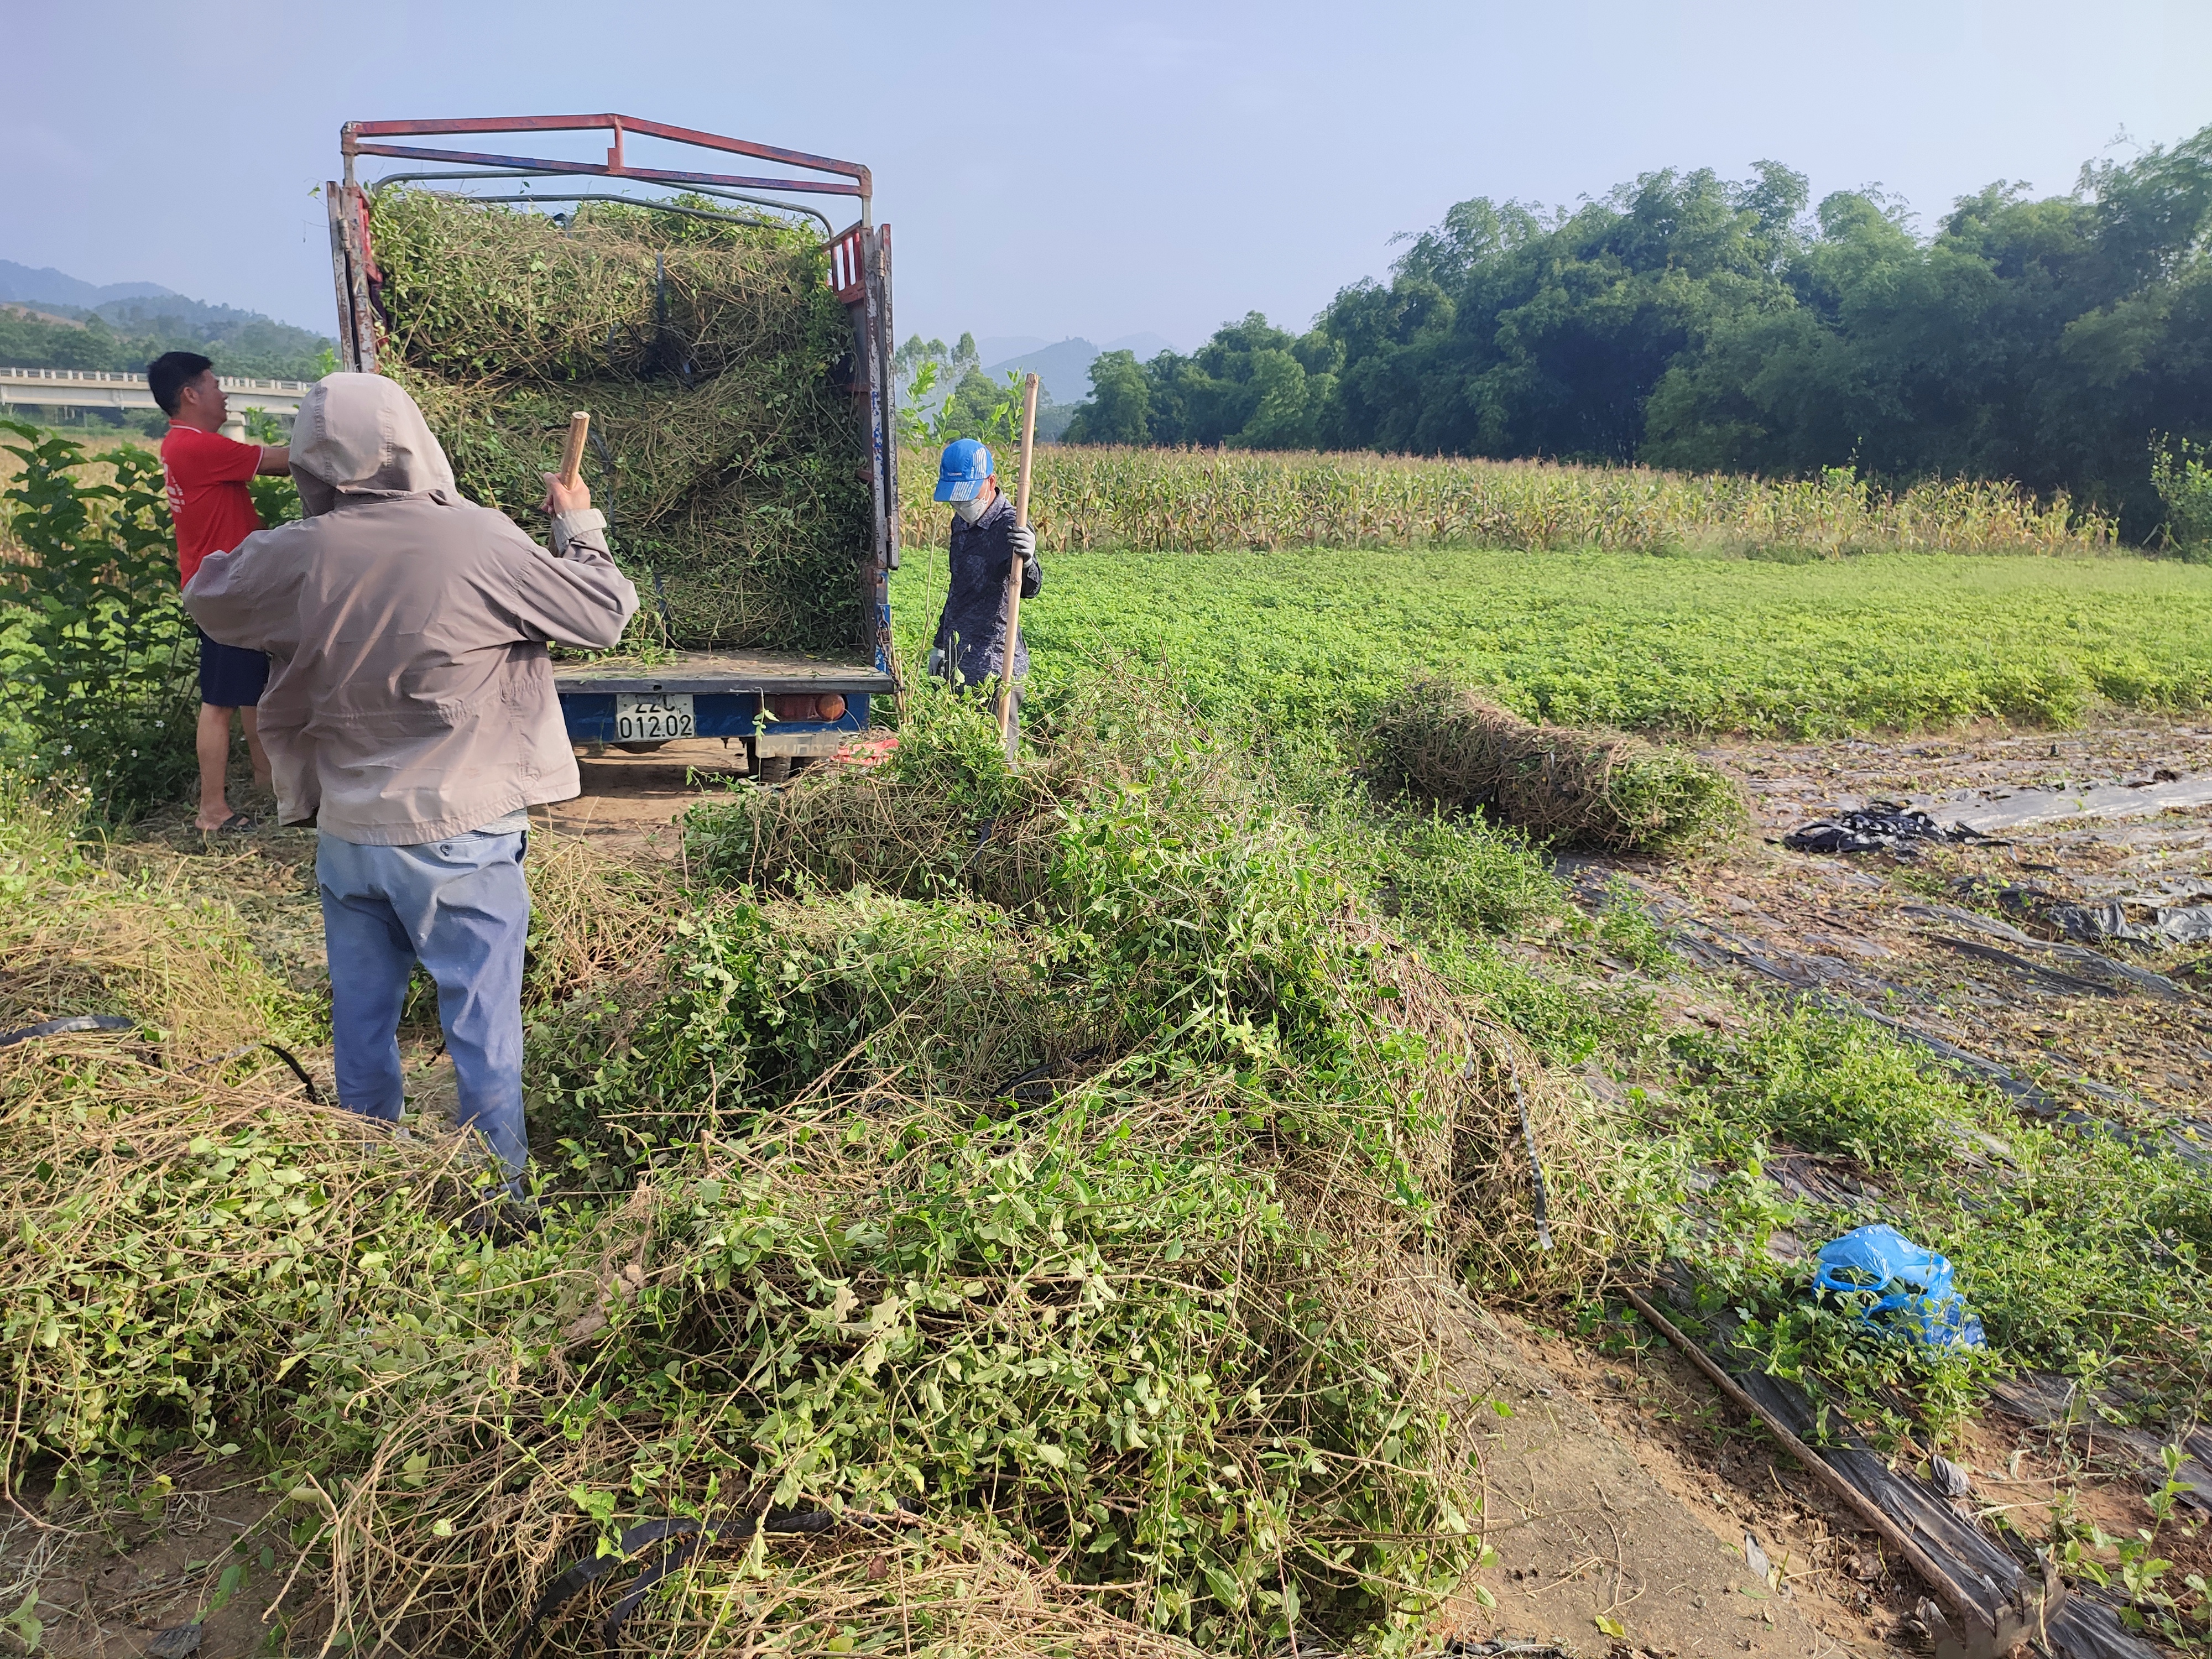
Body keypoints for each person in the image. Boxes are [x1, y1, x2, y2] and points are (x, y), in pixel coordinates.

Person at [184, 373, 639, 1212]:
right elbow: (605, 612)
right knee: (480, 1026)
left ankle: (367, 1188)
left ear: (315, 461)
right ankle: (499, 1205)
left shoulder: (292, 555)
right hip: (459, 835)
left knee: (361, 1024)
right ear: (414, 443)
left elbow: (208, 597)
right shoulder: (478, 541)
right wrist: (579, 522)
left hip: (351, 837)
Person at [147, 351, 291, 833]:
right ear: (190, 394)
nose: (223, 393)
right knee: (220, 700)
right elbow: (285, 463)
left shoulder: (181, 445)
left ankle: (265, 784)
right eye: (214, 384)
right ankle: (213, 811)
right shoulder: (199, 446)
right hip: (224, 590)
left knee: (254, 689)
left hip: (221, 584)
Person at [926, 437, 1040, 758]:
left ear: (990, 483)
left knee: (997, 757)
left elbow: (1029, 589)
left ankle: (1009, 809)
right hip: (956, 658)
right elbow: (958, 589)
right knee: (956, 757)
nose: (961, 505)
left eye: (967, 496)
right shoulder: (960, 522)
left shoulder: (1011, 525)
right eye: (955, 499)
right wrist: (940, 644)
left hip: (994, 665)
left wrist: (1029, 560)